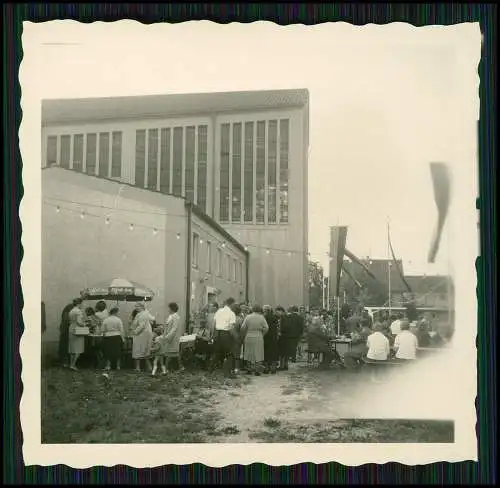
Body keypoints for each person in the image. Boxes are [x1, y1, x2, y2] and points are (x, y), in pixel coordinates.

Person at [152, 302, 183, 376]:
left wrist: (168, 336)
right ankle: (171, 368)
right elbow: (167, 327)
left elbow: (174, 329)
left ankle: (170, 368)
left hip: (173, 337)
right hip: (169, 336)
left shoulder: (175, 317)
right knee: (170, 353)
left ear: (171, 308)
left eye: (168, 308)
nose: (168, 309)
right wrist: (163, 332)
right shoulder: (171, 316)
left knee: (171, 353)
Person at [240, 304, 269, 375]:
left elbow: (243, 327)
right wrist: (262, 334)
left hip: (249, 335)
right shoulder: (261, 317)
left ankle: (249, 369)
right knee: (258, 353)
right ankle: (257, 370)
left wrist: (244, 334)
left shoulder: (248, 317)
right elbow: (266, 328)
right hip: (258, 336)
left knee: (248, 352)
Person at [213, 297, 237, 377]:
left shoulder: (219, 311)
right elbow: (231, 328)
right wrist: (235, 337)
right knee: (229, 353)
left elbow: (214, 323)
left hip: (217, 333)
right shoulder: (231, 313)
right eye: (234, 304)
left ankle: (213, 372)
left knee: (217, 353)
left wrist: (213, 335)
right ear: (231, 304)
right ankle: (228, 373)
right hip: (226, 334)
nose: (235, 306)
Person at [131, 302, 154, 372]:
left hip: (141, 334)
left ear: (141, 307)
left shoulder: (143, 314)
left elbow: (141, 325)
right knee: (145, 350)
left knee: (138, 350)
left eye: (137, 306)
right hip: (145, 333)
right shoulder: (145, 313)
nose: (136, 308)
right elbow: (152, 319)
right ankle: (148, 367)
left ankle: (138, 367)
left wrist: (135, 332)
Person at [68, 298, 85, 371]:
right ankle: (73, 365)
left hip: (71, 328)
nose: (82, 305)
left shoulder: (71, 311)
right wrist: (85, 324)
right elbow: (79, 322)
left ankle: (71, 364)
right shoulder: (78, 311)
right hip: (78, 330)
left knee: (72, 348)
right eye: (82, 304)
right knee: (78, 348)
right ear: (79, 303)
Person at [58, 300, 75, 367]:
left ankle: (65, 362)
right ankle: (64, 362)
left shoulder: (67, 311)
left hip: (65, 331)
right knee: (65, 346)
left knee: (65, 346)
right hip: (65, 332)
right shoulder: (68, 312)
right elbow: (67, 321)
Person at [263, 305, 279, 374]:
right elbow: (277, 327)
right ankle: (273, 368)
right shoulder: (275, 317)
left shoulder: (264, 317)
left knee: (266, 353)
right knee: (273, 352)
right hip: (273, 337)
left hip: (266, 337)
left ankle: (266, 368)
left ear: (266, 310)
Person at [231, 303, 244, 374]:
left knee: (231, 354)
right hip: (237, 338)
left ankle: (231, 368)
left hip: (230, 338)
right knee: (237, 354)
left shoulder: (229, 318)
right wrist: (242, 339)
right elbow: (242, 330)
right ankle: (236, 368)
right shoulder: (240, 319)